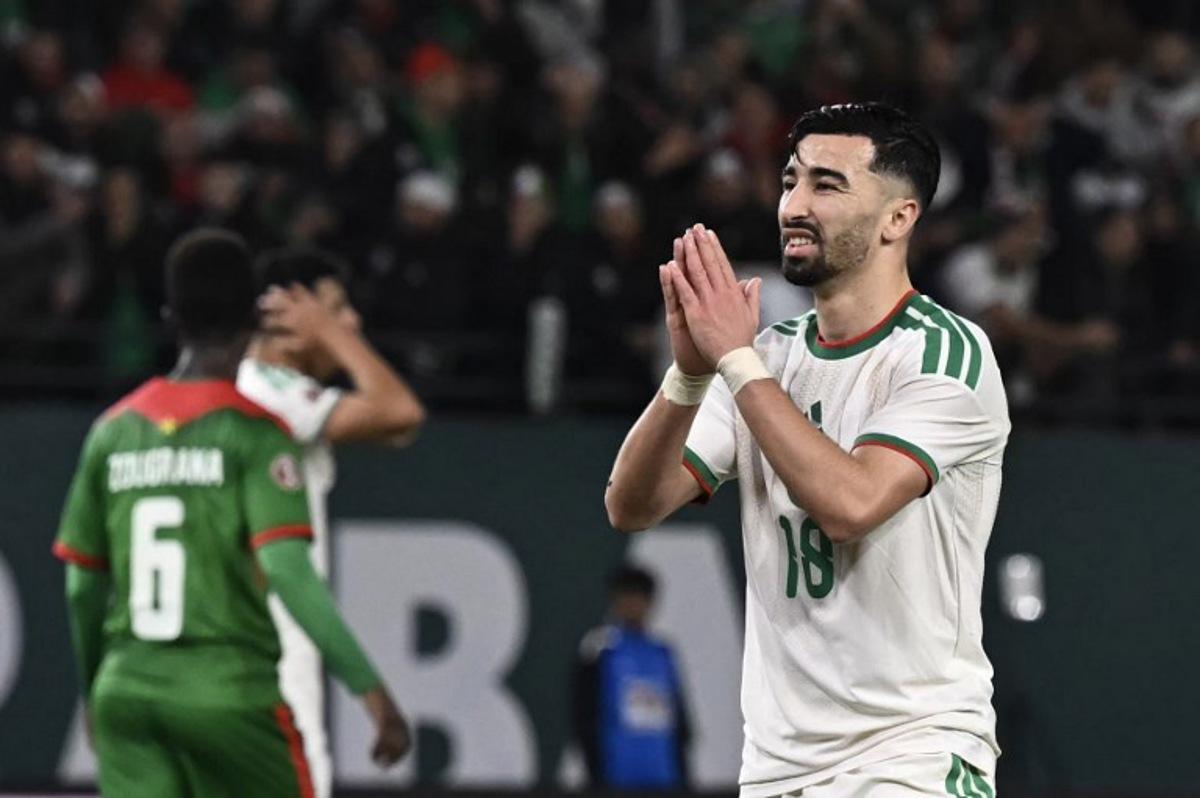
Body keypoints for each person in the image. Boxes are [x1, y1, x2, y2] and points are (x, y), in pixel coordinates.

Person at [606, 103, 1009, 798]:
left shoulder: (944, 354)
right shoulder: (764, 360)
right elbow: (632, 505)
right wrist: (691, 374)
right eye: (791, 180)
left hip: (909, 758)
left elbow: (851, 504)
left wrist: (733, 358)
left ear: (898, 218)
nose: (794, 204)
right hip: (775, 771)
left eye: (827, 186)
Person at [53, 229, 410, 797]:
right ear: (253, 317)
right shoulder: (257, 430)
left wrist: (96, 683)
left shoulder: (112, 432)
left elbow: (80, 589)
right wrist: (372, 692)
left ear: (170, 314)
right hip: (230, 688)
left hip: (129, 687)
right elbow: (290, 571)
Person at [237, 246, 426, 798]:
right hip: (273, 664)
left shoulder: (240, 393)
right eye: (335, 308)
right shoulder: (267, 391)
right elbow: (401, 414)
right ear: (289, 312)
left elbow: (393, 429)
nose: (352, 323)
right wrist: (332, 336)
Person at [572, 565, 691, 791]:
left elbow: (680, 723)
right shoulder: (599, 652)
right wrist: (596, 777)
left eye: (640, 597)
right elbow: (583, 720)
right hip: (617, 780)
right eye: (627, 596)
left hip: (663, 779)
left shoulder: (662, 653)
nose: (634, 604)